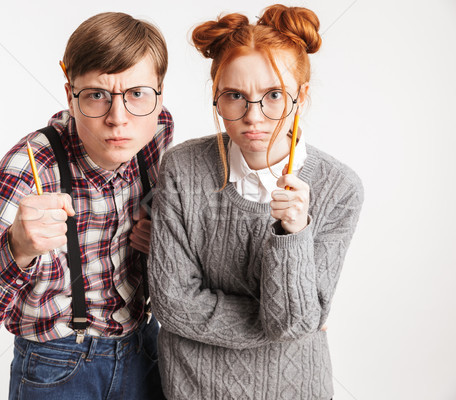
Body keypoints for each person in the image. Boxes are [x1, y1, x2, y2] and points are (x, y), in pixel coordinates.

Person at [0, 12, 172, 400]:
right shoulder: (28, 170)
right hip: (57, 366)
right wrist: (16, 250)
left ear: (159, 95)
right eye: (96, 94)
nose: (118, 119)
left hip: (146, 352)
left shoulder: (156, 132)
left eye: (137, 94)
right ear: (69, 95)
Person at [148, 5, 363, 400]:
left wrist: (292, 233)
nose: (253, 117)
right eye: (235, 96)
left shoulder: (340, 188)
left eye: (274, 96)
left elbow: (294, 322)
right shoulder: (182, 167)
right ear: (216, 96)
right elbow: (173, 303)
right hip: (193, 388)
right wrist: (280, 325)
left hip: (294, 389)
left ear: (301, 96)